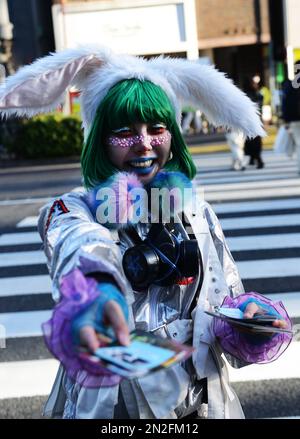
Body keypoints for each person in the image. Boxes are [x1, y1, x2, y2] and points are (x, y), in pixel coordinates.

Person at [0, 46, 292, 419]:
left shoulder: (195, 211)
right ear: (100, 140)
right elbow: (77, 246)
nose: (144, 143)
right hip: (113, 406)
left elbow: (225, 303)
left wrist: (251, 319)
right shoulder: (75, 209)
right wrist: (101, 287)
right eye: (124, 133)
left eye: (157, 129)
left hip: (200, 404)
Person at [281, 61, 300, 174]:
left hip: (294, 120)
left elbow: (285, 103)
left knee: (299, 144)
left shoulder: (290, 85)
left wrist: (286, 120)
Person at [243, 76, 265, 169]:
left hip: (252, 121)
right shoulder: (251, 95)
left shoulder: (251, 94)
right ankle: (257, 159)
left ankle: (253, 158)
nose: (256, 85)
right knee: (254, 141)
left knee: (252, 141)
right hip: (252, 121)